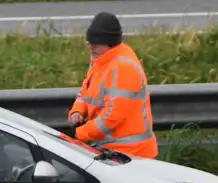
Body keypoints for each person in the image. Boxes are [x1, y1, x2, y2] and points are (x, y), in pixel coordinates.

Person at [67, 12, 158, 159]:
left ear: (110, 43)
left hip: (131, 154)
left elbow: (112, 116)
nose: (90, 46)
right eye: (89, 42)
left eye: (96, 43)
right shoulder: (100, 59)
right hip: (111, 150)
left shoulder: (122, 67)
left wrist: (80, 133)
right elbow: (85, 91)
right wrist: (77, 112)